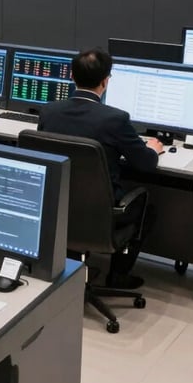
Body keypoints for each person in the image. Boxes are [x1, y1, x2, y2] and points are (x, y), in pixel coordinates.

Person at [38, 47, 162, 289]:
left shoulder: (49, 112)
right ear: (106, 81)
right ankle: (118, 275)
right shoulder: (115, 119)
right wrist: (154, 149)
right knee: (149, 207)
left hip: (56, 204)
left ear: (71, 76)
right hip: (100, 211)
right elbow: (145, 164)